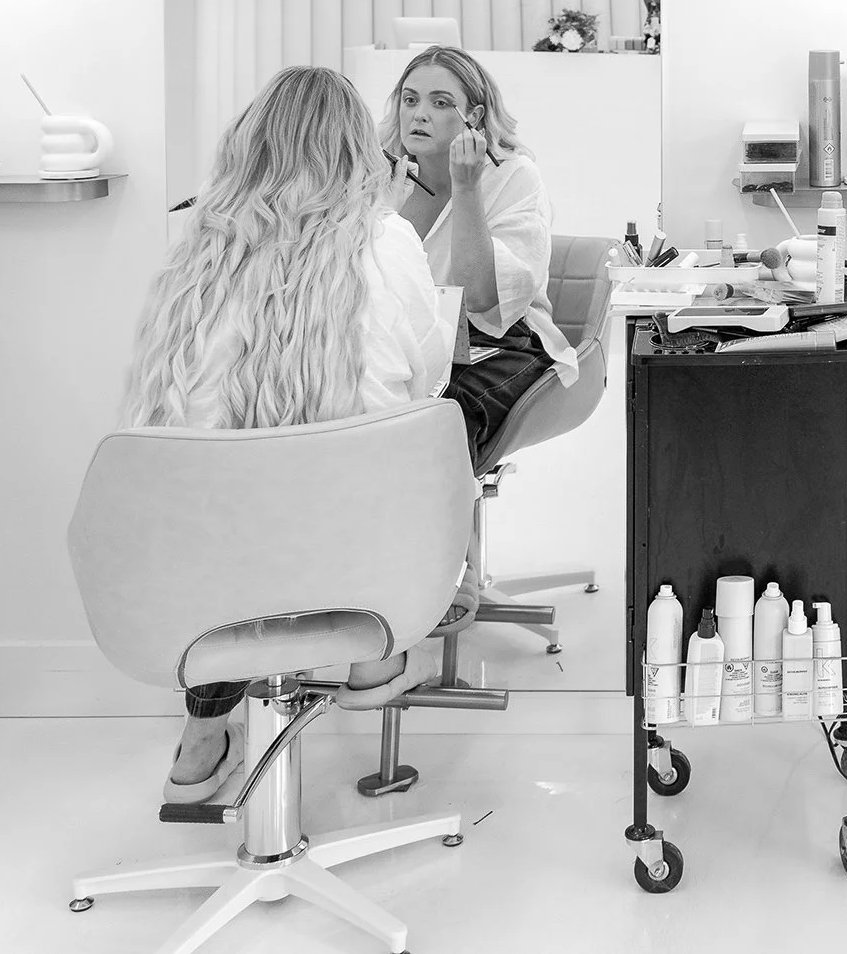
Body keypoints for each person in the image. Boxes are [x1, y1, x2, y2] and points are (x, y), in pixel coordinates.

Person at [121, 66, 459, 806]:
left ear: (251, 144)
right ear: (353, 152)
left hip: (196, 580)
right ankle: (377, 655)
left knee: (222, 504)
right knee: (391, 456)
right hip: (354, 569)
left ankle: (203, 735)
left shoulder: (196, 251)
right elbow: (427, 379)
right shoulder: (386, 239)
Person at [378, 46, 580, 471]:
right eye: (410, 99)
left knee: (445, 415)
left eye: (440, 102)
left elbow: (483, 298)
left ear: (475, 116)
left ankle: (444, 530)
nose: (419, 114)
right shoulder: (382, 174)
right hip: (402, 335)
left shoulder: (513, 175)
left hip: (498, 340)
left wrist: (466, 187)